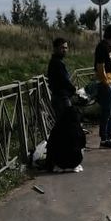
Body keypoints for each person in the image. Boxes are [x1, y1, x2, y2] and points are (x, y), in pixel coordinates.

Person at [45, 38, 85, 172]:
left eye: (66, 48)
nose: (65, 50)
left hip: (60, 97)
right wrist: (74, 90)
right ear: (55, 48)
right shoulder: (57, 64)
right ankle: (65, 158)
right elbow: (64, 81)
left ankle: (62, 158)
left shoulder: (56, 62)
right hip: (61, 98)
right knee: (66, 128)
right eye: (62, 48)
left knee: (63, 129)